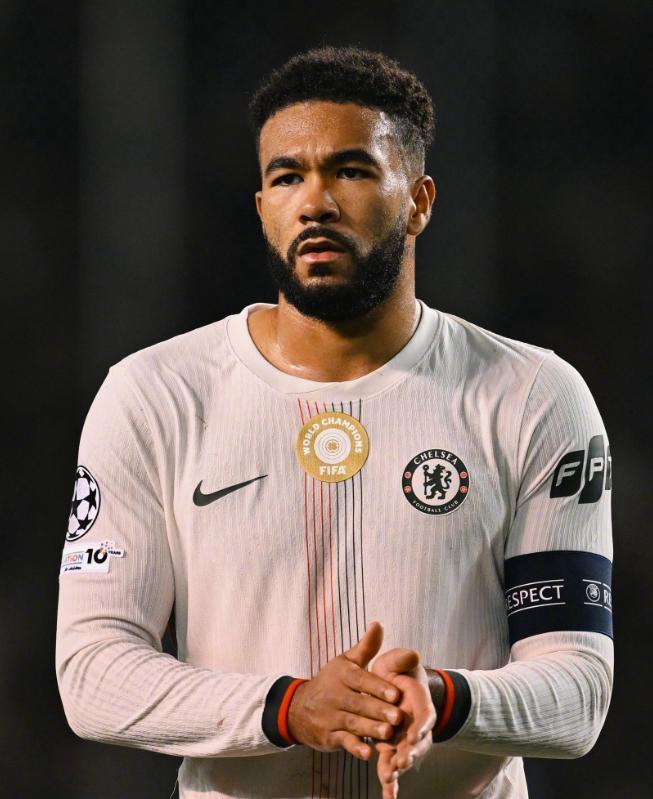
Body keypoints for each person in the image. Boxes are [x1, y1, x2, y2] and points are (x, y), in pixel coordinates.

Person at [55, 45, 614, 799]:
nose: (314, 202)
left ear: (418, 201)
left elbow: (578, 693)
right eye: (288, 176)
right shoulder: (154, 395)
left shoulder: (532, 394)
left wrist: (444, 699)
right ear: (262, 207)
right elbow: (91, 672)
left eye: (350, 171)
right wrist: (287, 708)